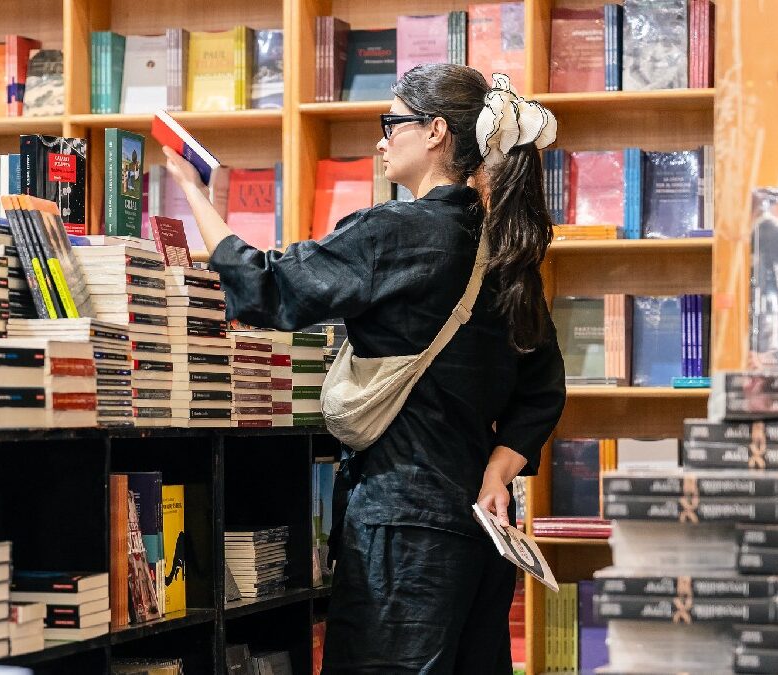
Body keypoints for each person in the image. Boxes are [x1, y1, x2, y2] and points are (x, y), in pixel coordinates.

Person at [163, 64, 566, 674]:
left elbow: (269, 289)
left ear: (435, 132)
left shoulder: (397, 233)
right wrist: (497, 473)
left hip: (402, 534)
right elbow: (543, 387)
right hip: (478, 532)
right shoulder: (505, 248)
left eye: (391, 123)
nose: (380, 140)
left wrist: (193, 192)